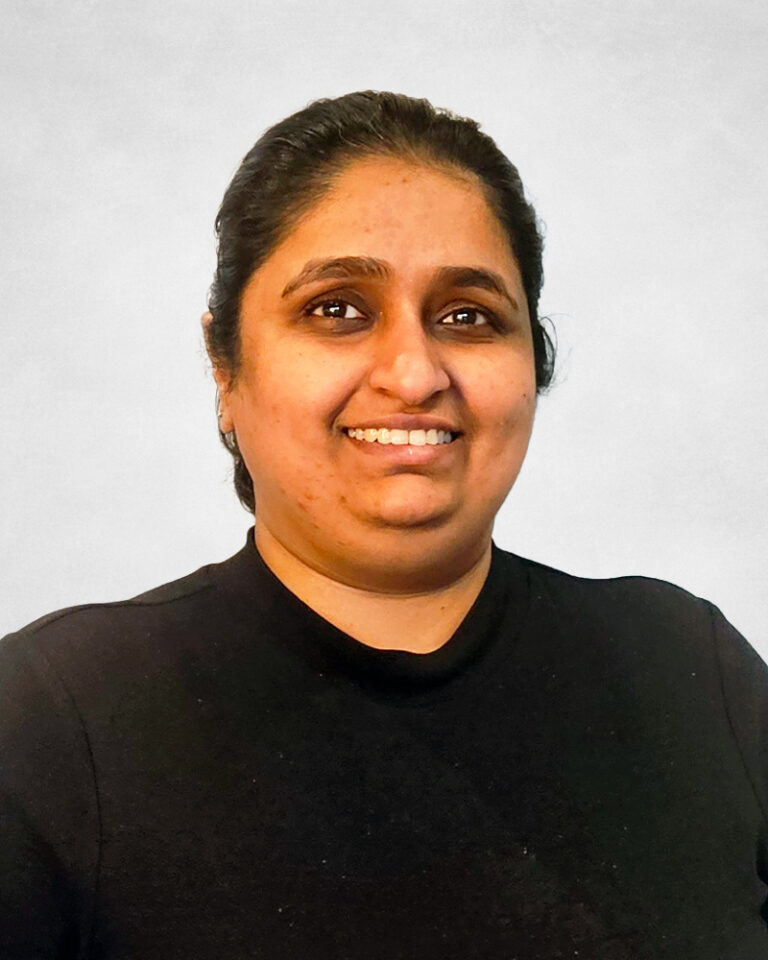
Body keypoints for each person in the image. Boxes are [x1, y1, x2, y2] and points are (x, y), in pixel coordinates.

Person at [1, 90, 766, 959]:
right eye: (337, 309)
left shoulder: (690, 674)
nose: (413, 372)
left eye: (467, 316)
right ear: (225, 367)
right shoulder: (52, 722)